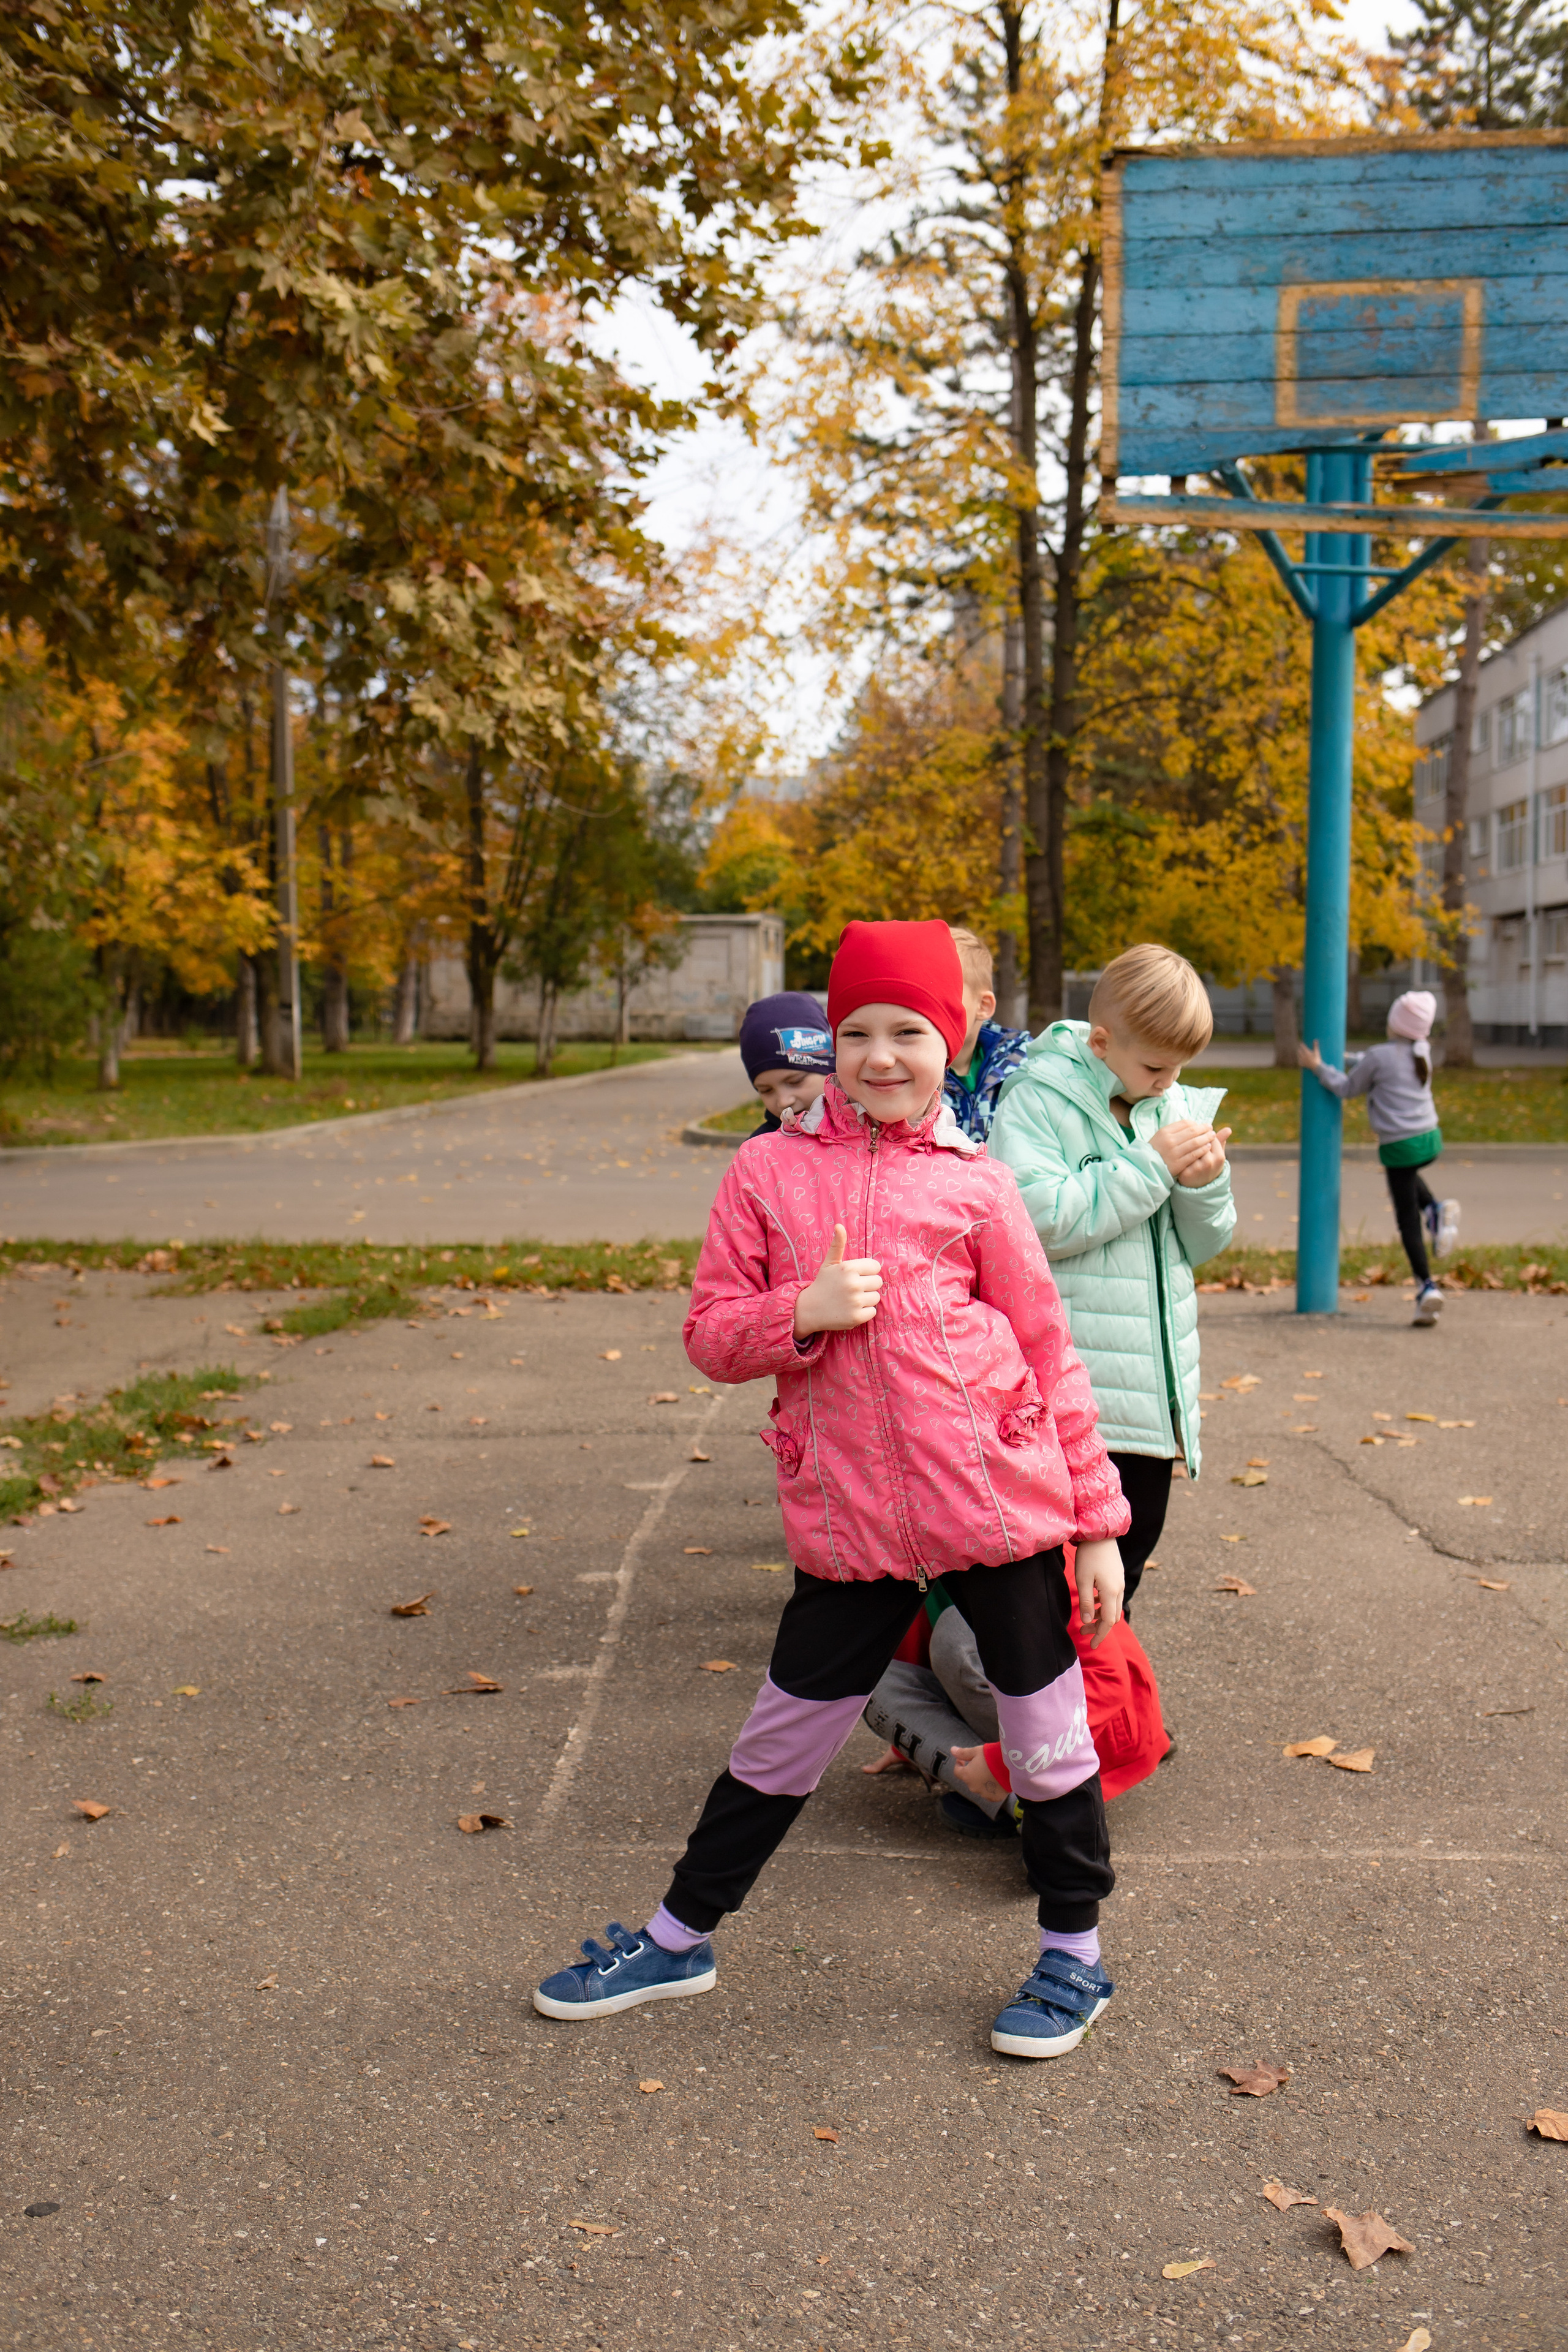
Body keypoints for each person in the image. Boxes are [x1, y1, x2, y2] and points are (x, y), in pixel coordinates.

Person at [534, 919, 1131, 2060]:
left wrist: (1098, 1526)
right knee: (779, 1739)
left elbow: (1052, 1356)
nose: (880, 1056)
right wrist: (796, 1315)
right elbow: (712, 1334)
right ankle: (677, 1937)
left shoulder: (979, 1184)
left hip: (1001, 1508)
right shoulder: (766, 1171)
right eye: (856, 1032)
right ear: (831, 1040)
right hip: (849, 1518)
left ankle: (1074, 1956)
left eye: (909, 1030)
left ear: (947, 1043)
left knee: (1048, 1735)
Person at [988, 943, 1235, 1621]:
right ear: (1101, 1042)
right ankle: (1080, 1707)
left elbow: (1206, 1243)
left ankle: (1094, 1698)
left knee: (1133, 1547)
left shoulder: (1171, 1102)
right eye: (1155, 1065)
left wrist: (1205, 1185)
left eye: (1181, 1066)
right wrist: (1152, 1168)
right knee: (1065, 1574)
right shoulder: (1037, 1099)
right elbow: (1038, 1223)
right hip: (1075, 1385)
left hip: (1152, 1394)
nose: (1169, 1081)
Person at [861, 1551, 1169, 1836]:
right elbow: (915, 1656)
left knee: (957, 1640)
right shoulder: (914, 1551)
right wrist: (920, 1737)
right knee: (869, 1682)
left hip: (1099, 1729)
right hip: (1024, 1727)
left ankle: (1047, 1806)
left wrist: (1003, 1764)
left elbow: (1108, 1683)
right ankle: (1018, 1804)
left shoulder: (1038, 1543)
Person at [1298, 990, 1458, 1328]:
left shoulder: (1379, 1057)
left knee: (1405, 1220)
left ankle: (1426, 1286)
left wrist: (1317, 1067)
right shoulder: (1421, 1051)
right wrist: (1353, 1058)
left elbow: (1346, 1088)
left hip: (1400, 1146)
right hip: (1430, 1139)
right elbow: (1380, 1063)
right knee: (1412, 1179)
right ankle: (1435, 1210)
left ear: (1393, 1023)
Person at [941, 925, 1030, 1143]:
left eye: (945, 993)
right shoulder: (909, 1071)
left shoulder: (1021, 1062)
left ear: (983, 1005)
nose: (930, 1009)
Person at [737, 990, 834, 1135]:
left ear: (830, 1068)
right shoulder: (761, 1151)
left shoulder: (871, 1129)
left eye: (795, 1081)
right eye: (766, 1090)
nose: (784, 1102)